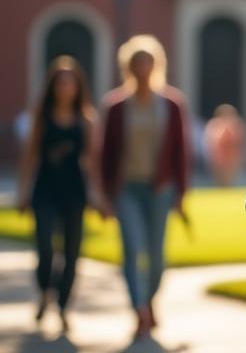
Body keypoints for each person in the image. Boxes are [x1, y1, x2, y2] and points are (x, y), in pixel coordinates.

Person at [99, 34, 190, 339]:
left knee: (156, 255)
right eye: (137, 63)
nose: (143, 68)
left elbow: (180, 152)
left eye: (148, 63)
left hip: (160, 189)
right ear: (129, 67)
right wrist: (104, 196)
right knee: (132, 249)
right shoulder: (115, 106)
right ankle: (139, 310)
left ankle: (149, 301)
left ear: (156, 66)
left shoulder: (172, 104)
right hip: (127, 188)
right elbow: (106, 154)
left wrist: (180, 193)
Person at [16, 56, 100, 333]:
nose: (66, 87)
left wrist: (97, 194)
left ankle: (63, 305)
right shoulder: (41, 117)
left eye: (71, 82)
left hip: (74, 192)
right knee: (45, 247)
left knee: (72, 252)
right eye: (61, 82)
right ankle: (44, 291)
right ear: (53, 86)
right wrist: (22, 191)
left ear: (78, 87)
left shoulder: (86, 119)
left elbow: (91, 161)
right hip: (45, 190)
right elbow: (29, 156)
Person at [202, 104, 246, 186]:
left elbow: (239, 142)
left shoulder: (236, 125)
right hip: (219, 157)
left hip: (231, 156)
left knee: (230, 177)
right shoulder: (214, 125)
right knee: (220, 178)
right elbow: (211, 142)